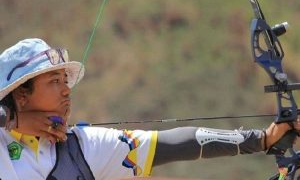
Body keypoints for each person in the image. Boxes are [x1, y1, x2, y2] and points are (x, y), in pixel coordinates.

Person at [0, 38, 298, 180]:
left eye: (65, 80)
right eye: (54, 81)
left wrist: (261, 139)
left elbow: (173, 144)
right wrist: (9, 117)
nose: (67, 89)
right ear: (21, 95)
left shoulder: (82, 148)